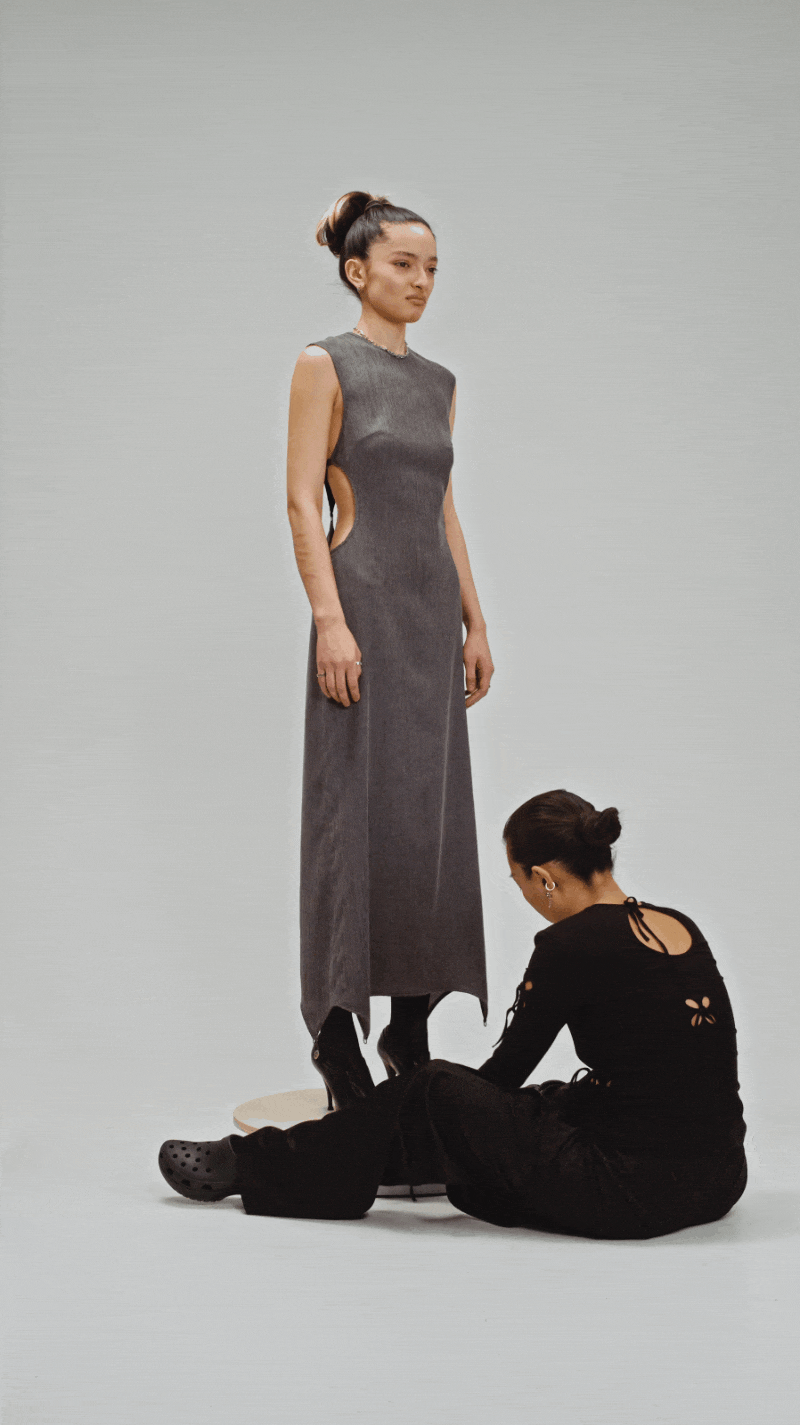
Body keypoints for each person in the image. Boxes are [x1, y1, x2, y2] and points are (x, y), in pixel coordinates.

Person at [159, 790, 747, 1239]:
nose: (524, 895)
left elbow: (501, 1079)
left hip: (631, 1190)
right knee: (544, 1100)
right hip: (718, 1178)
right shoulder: (678, 924)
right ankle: (353, 1155)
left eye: (518, 882)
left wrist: (429, 1104)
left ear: (544, 878)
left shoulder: (570, 945)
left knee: (434, 1088)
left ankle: (250, 1166)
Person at [286, 191, 493, 1110]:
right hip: (362, 605)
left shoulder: (439, 382)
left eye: (432, 267)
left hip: (428, 616)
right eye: (404, 264)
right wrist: (330, 620)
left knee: (427, 818)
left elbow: (444, 508)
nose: (421, 281)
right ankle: (336, 1034)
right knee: (351, 815)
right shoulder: (324, 364)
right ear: (357, 269)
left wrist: (476, 621)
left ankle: (410, 1027)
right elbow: (302, 500)